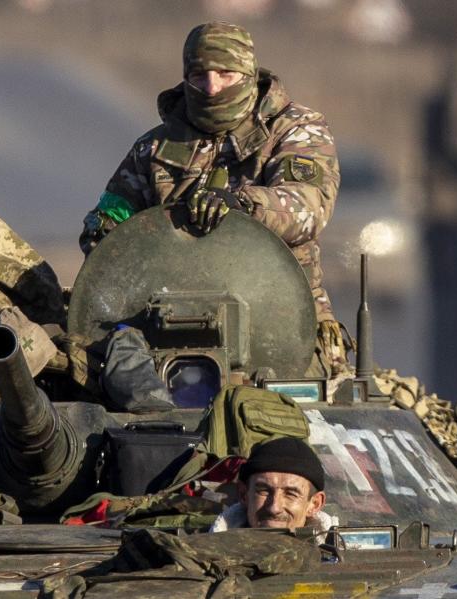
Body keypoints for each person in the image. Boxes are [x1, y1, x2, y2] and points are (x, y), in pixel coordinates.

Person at [80, 21, 346, 376]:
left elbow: (307, 208)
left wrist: (240, 207)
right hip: (169, 332)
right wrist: (108, 236)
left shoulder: (295, 130)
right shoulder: (155, 148)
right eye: (199, 75)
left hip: (281, 326)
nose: (211, 87)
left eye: (225, 74)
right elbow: (110, 227)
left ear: (248, 74)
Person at [211, 437, 335, 533]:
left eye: (291, 494)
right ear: (244, 495)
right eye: (263, 491)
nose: (274, 508)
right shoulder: (205, 554)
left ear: (314, 504)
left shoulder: (339, 559)